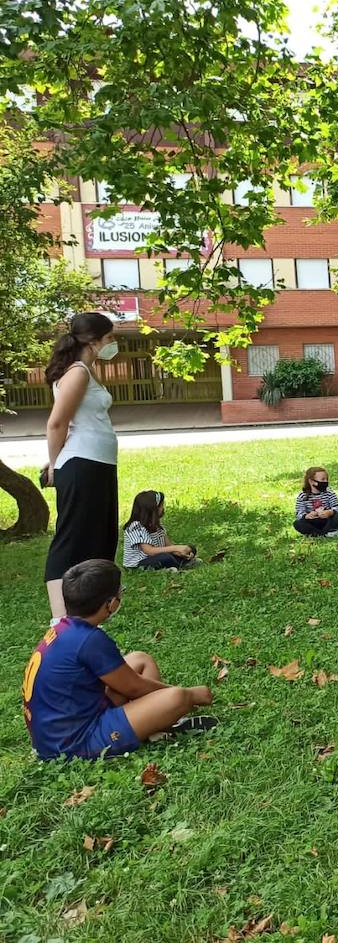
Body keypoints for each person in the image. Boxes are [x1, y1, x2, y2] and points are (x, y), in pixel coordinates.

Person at [21, 560, 216, 760]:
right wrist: (191, 695)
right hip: (74, 743)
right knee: (177, 698)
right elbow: (134, 688)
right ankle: (160, 718)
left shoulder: (64, 629)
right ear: (111, 603)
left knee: (141, 659)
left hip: (61, 730)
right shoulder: (89, 639)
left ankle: (157, 723)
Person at [40, 312, 121, 621]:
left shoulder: (87, 371)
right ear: (93, 341)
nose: (113, 344)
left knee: (97, 539)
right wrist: (55, 464)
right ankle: (60, 621)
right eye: (110, 338)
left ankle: (85, 615)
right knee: (72, 539)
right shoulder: (78, 373)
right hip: (81, 463)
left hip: (98, 464)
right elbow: (57, 423)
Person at [122, 490, 197, 571]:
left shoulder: (157, 526)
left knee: (190, 548)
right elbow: (149, 551)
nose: (163, 508)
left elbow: (168, 546)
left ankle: (180, 563)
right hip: (139, 563)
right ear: (153, 510)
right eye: (161, 506)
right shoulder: (136, 527)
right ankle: (179, 566)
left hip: (157, 557)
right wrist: (176, 548)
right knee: (165, 557)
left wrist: (180, 552)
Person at [294, 466, 338, 536]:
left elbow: (337, 507)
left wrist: (330, 512)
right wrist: (306, 516)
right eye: (323, 479)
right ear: (312, 481)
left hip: (327, 520)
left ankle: (322, 533)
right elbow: (299, 512)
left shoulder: (329, 493)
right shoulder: (303, 496)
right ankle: (323, 533)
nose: (326, 481)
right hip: (313, 522)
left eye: (326, 479)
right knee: (298, 523)